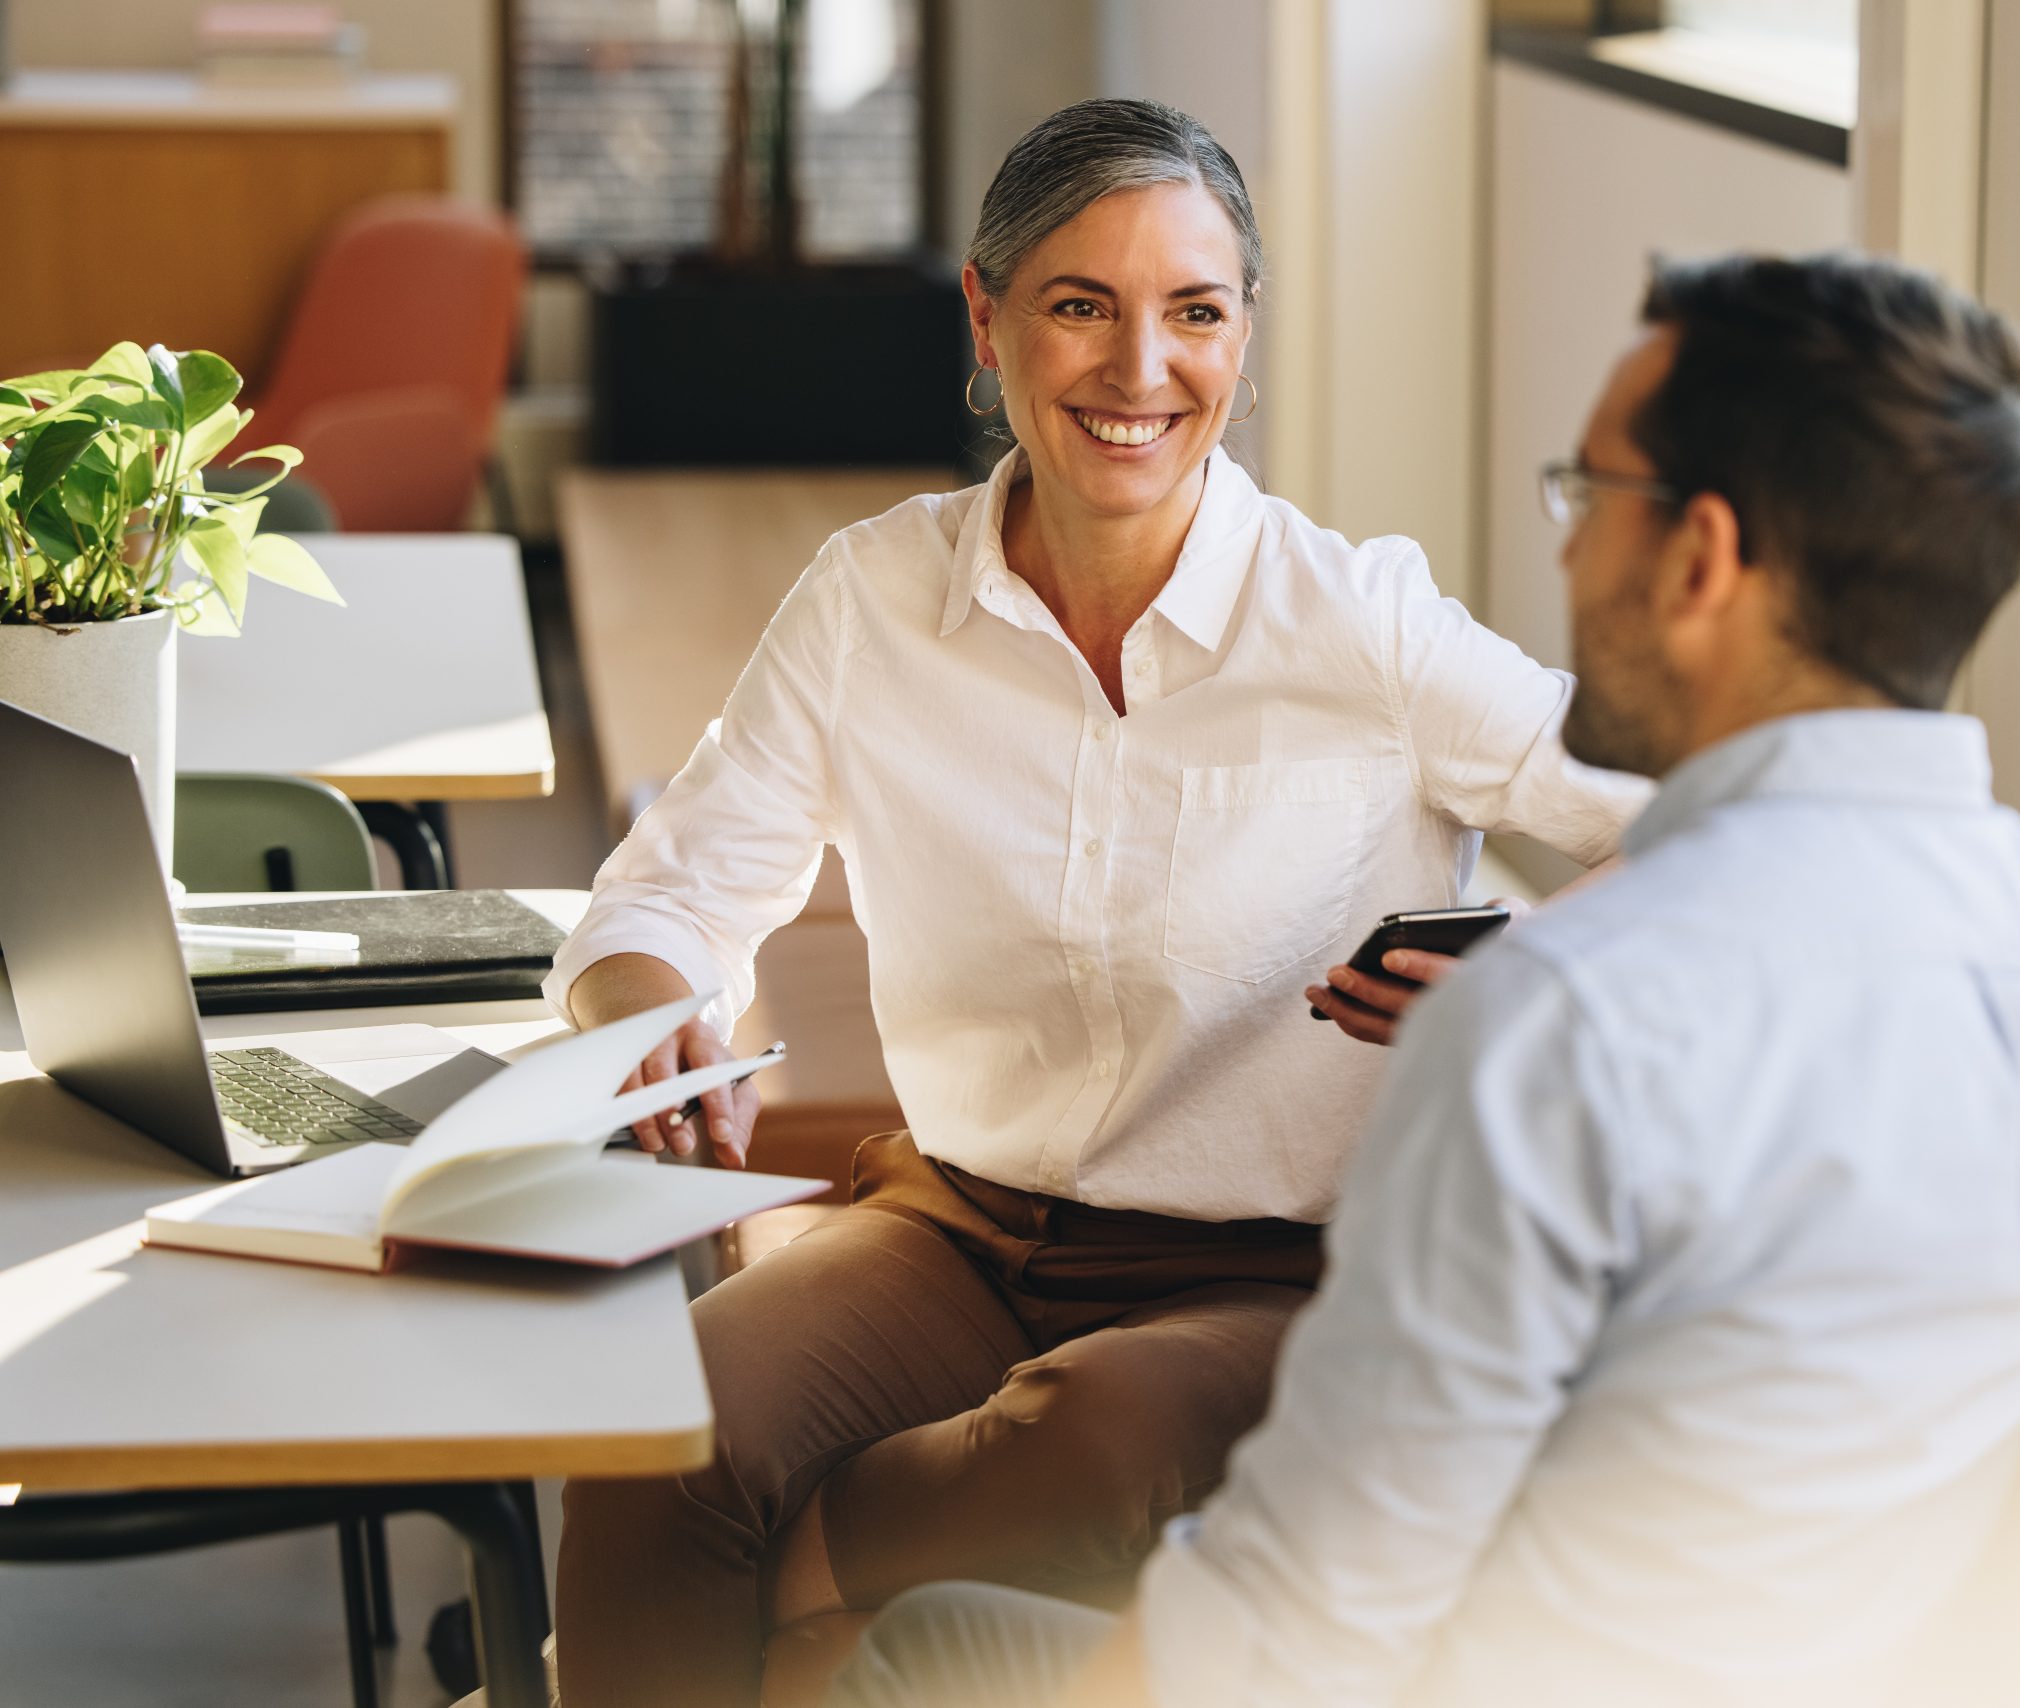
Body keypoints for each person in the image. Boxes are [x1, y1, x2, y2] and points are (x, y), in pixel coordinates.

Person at [828, 252, 2020, 1708]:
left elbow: (1301, 1618)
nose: (1566, 543)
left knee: (921, 1651)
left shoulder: (1556, 1029)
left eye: (1593, 495)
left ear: (1701, 557)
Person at [539, 98, 1651, 1708]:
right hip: (960, 1226)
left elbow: (1698, 833)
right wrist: (652, 1020)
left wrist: (1541, 967)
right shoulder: (872, 602)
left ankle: (766, 1601)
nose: (1142, 370)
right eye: (1082, 306)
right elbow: (668, 893)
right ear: (986, 323)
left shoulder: (1364, 627)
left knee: (1095, 1443)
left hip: (1278, 1273)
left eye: (1194, 312)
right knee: (673, 1422)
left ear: (1243, 340)